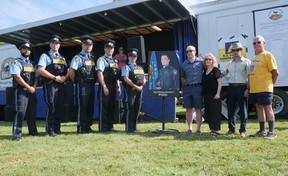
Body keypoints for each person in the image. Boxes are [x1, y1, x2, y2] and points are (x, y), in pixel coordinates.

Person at [249, 35, 278, 140]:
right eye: (254, 43)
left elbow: (275, 73)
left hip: (265, 87)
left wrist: (270, 84)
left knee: (268, 108)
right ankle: (262, 131)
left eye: (259, 42)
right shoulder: (254, 58)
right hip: (255, 89)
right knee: (259, 108)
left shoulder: (268, 55)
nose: (256, 44)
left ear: (263, 43)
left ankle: (271, 132)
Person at [38, 35, 68, 137]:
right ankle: (49, 130)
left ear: (59, 45)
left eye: (57, 43)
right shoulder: (45, 56)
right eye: (53, 43)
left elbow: (66, 71)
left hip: (61, 85)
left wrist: (65, 77)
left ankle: (57, 129)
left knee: (59, 106)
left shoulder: (62, 57)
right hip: (51, 84)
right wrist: (54, 78)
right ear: (50, 44)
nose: (55, 45)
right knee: (52, 106)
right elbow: (40, 70)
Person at [221, 42, 251, 138]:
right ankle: (231, 129)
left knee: (243, 110)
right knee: (231, 109)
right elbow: (223, 74)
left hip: (242, 87)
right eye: (233, 50)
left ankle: (242, 130)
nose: (235, 52)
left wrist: (248, 89)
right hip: (231, 88)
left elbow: (250, 76)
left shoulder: (247, 62)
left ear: (241, 51)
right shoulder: (229, 63)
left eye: (237, 50)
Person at [10, 41, 38, 141]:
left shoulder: (32, 63)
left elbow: (36, 77)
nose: (27, 50)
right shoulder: (16, 62)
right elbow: (17, 77)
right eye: (24, 48)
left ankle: (33, 131)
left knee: (32, 112)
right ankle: (17, 134)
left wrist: (34, 87)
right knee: (20, 112)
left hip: (32, 91)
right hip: (22, 90)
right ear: (20, 49)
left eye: (29, 49)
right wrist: (28, 87)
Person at [69, 35, 96, 133]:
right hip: (82, 85)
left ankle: (88, 127)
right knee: (83, 106)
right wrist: (75, 80)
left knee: (90, 106)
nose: (88, 46)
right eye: (86, 44)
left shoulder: (92, 58)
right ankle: (81, 127)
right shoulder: (78, 58)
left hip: (91, 84)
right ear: (82, 45)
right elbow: (71, 71)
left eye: (90, 45)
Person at [97, 40, 121, 132]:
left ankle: (110, 127)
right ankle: (102, 127)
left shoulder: (115, 60)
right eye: (108, 48)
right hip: (105, 86)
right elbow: (99, 73)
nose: (110, 50)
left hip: (113, 86)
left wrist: (118, 87)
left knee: (111, 107)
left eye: (111, 48)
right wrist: (104, 86)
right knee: (104, 107)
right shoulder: (101, 60)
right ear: (104, 49)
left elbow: (116, 75)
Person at [121, 48, 146, 132]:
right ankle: (129, 128)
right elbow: (126, 79)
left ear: (136, 57)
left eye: (134, 56)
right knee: (130, 108)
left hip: (139, 90)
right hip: (131, 90)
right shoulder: (126, 67)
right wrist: (136, 87)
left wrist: (142, 86)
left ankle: (134, 127)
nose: (133, 58)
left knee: (137, 108)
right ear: (128, 57)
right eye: (131, 56)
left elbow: (144, 78)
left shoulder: (140, 67)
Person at [180, 45, 203, 135]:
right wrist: (183, 89)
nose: (189, 53)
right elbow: (182, 78)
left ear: (195, 51)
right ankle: (189, 129)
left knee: (198, 109)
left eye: (191, 51)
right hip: (187, 88)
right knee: (188, 109)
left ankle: (198, 129)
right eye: (187, 51)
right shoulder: (183, 65)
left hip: (198, 87)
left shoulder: (201, 63)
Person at [202, 53, 222, 136]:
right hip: (206, 95)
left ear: (213, 61)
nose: (208, 61)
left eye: (210, 59)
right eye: (206, 59)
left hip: (214, 95)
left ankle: (216, 129)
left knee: (215, 112)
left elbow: (220, 83)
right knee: (208, 112)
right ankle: (212, 128)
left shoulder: (216, 70)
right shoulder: (204, 71)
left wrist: (218, 94)